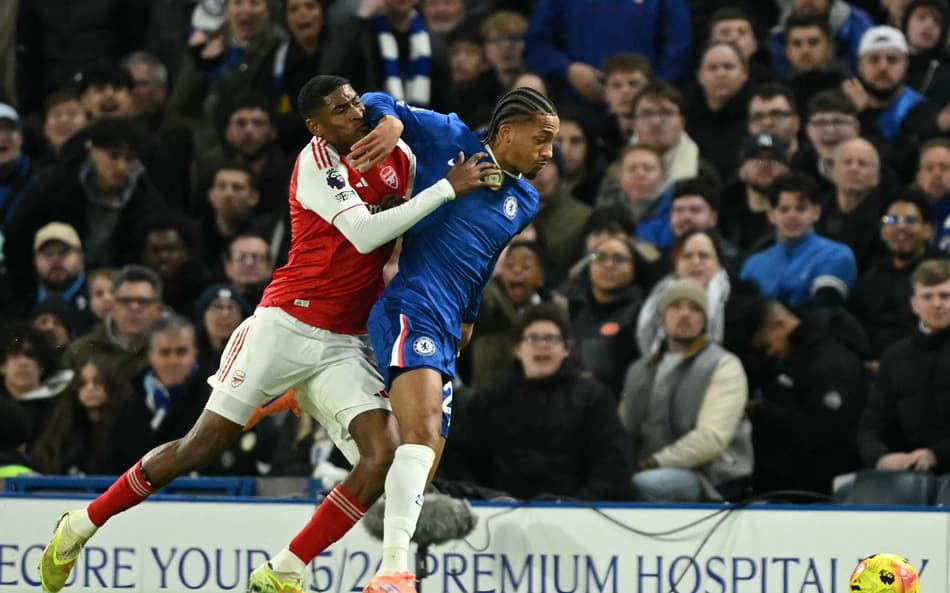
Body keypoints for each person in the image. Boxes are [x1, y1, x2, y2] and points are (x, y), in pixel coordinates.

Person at [37, 75, 497, 593]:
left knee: (382, 456)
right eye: (339, 112)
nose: (353, 115)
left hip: (342, 341)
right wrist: (447, 189)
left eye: (353, 103)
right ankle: (81, 524)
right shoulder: (316, 162)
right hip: (284, 325)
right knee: (198, 448)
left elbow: (404, 236)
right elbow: (367, 231)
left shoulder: (399, 157)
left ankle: (285, 568)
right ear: (315, 126)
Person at [348, 85, 558, 592]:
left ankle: (370, 557)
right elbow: (376, 98)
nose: (549, 152)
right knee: (418, 437)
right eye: (542, 138)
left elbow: (484, 262)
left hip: (446, 326)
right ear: (506, 133)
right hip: (411, 307)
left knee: (420, 459)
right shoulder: (449, 136)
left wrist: (468, 315)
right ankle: (393, 573)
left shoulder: (524, 199)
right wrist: (393, 125)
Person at [445, 304, 630, 501]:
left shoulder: (594, 398)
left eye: (551, 339)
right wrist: (490, 500)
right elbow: (461, 462)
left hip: (579, 514)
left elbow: (613, 463)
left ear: (566, 349)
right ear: (517, 349)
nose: (542, 345)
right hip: (501, 514)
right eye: (533, 338)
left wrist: (577, 506)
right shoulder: (490, 402)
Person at [619, 278, 753, 502]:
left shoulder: (724, 365)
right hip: (650, 468)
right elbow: (623, 429)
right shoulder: (639, 370)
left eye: (694, 309)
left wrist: (652, 464)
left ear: (705, 320)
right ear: (662, 316)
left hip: (712, 476)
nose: (685, 314)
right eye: (676, 306)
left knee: (642, 486)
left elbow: (711, 439)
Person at [857, 258, 950, 474]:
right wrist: (881, 457)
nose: (937, 304)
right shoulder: (895, 356)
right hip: (908, 475)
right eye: (927, 296)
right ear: (914, 305)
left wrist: (936, 454)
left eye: (945, 296)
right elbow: (871, 426)